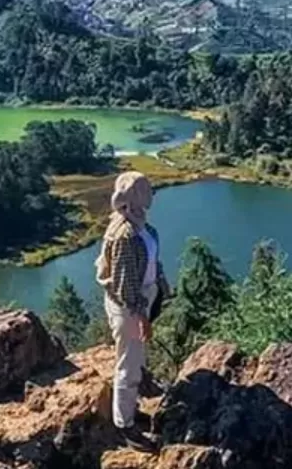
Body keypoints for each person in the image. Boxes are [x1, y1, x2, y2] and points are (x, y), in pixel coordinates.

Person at [94, 170, 170, 452]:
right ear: (136, 195)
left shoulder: (138, 224)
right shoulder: (125, 234)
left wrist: (161, 285)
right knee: (128, 364)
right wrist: (143, 319)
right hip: (130, 309)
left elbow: (149, 261)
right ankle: (125, 426)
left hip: (139, 302)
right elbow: (126, 288)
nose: (152, 194)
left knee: (134, 360)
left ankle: (127, 411)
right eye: (148, 189)